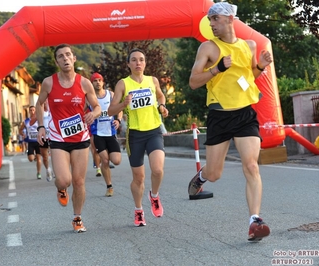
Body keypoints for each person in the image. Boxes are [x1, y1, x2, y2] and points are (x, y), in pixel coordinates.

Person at [187, 2, 273, 241]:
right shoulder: (208, 48)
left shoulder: (250, 45)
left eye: (214, 18)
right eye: (209, 19)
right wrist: (217, 70)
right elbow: (194, 82)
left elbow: (248, 78)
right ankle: (202, 176)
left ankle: (255, 221)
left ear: (229, 18)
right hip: (220, 115)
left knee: (252, 166)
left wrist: (261, 67)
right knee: (215, 174)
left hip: (245, 113)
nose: (211, 23)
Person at [36, 43, 101, 233]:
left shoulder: (84, 83)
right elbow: (39, 104)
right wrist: (41, 127)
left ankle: (77, 218)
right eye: (61, 56)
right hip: (58, 137)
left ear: (74, 58)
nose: (65, 59)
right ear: (57, 61)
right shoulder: (49, 82)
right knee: (64, 180)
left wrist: (93, 115)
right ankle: (61, 188)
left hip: (80, 137)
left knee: (79, 181)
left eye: (68, 55)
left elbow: (97, 106)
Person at [108, 48, 169, 227]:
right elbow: (111, 110)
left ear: (145, 63)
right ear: (128, 64)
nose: (138, 63)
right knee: (139, 178)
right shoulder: (123, 84)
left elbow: (160, 95)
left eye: (141, 59)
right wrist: (123, 104)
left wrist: (163, 106)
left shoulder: (153, 80)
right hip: (135, 134)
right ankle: (138, 210)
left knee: (157, 170)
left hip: (154, 131)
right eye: (134, 60)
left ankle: (154, 196)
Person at [88, 72, 122, 197]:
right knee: (105, 159)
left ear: (103, 82)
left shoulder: (111, 95)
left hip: (110, 132)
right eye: (95, 80)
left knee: (116, 160)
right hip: (98, 133)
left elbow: (119, 109)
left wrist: (118, 120)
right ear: (91, 83)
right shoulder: (90, 98)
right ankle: (109, 186)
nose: (97, 82)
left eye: (99, 80)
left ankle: (103, 165)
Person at [19, 106, 43, 179]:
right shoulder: (26, 121)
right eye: (30, 110)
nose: (32, 112)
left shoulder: (39, 120)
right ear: (29, 112)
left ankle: (39, 173)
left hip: (38, 141)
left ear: (35, 111)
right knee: (31, 159)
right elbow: (20, 129)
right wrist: (23, 134)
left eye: (33, 110)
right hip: (30, 142)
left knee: (39, 158)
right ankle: (34, 156)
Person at [40, 100, 54, 182]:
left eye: (47, 100)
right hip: (43, 136)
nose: (45, 102)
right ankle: (48, 169)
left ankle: (57, 170)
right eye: (44, 100)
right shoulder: (40, 112)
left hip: (53, 135)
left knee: (55, 154)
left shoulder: (53, 109)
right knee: (45, 156)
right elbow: (32, 122)